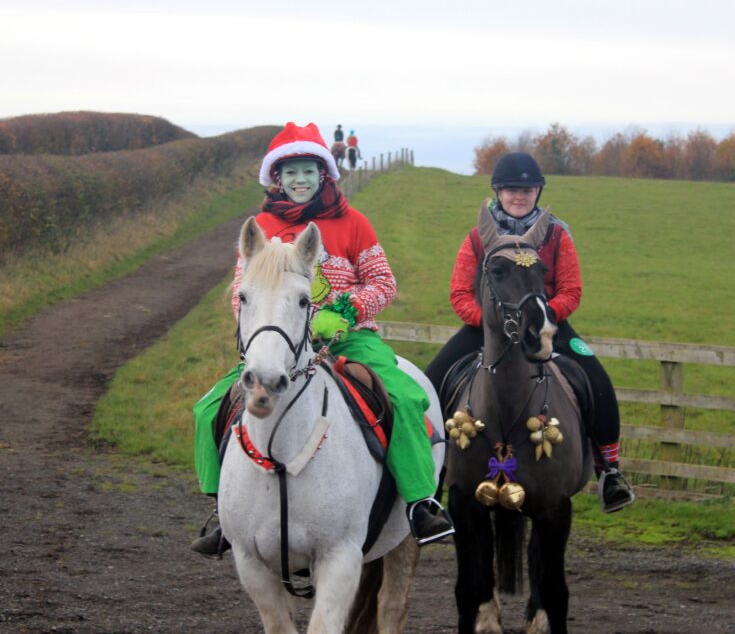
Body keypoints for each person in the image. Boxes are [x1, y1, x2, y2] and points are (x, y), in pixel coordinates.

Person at [191, 122, 453, 556]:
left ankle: (420, 502)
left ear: (324, 175)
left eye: (309, 171)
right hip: (279, 346)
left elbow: (384, 283)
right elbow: (244, 294)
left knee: (405, 399)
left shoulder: (352, 223)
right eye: (290, 171)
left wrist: (344, 312)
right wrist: (268, 331)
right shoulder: (261, 227)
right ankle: (224, 513)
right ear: (277, 177)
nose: (300, 180)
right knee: (207, 410)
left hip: (351, 341)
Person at [424, 151, 635, 513]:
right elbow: (460, 292)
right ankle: (432, 482)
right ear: (498, 191)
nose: (519, 196)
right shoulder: (478, 238)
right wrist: (490, 321)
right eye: (511, 190)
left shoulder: (556, 235)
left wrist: (542, 316)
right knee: (431, 382)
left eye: (527, 189)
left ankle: (609, 472)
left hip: (546, 324)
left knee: (598, 381)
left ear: (538, 192)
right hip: (488, 327)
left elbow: (571, 289)